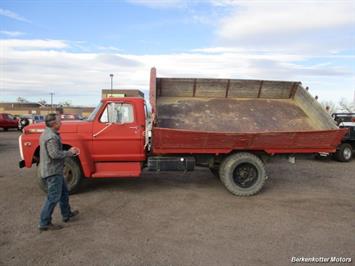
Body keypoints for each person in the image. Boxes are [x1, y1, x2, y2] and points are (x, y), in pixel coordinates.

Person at [38, 113, 79, 231]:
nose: (61, 123)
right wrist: (70, 152)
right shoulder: (51, 137)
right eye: (59, 121)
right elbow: (54, 154)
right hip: (53, 172)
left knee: (64, 193)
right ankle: (44, 223)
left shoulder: (47, 133)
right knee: (53, 197)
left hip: (55, 171)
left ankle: (66, 214)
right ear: (54, 124)